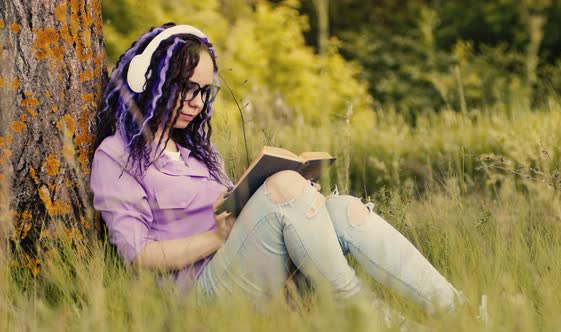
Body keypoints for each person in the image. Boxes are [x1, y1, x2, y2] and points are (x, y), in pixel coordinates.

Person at [90, 23, 462, 315]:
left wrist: (298, 202)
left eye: (205, 92)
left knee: (343, 209)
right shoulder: (117, 155)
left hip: (244, 268)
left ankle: (458, 311)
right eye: (185, 87)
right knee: (285, 186)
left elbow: (237, 213)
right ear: (150, 80)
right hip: (198, 296)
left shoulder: (196, 151)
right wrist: (216, 239)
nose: (197, 102)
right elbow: (136, 257)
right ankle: (374, 319)